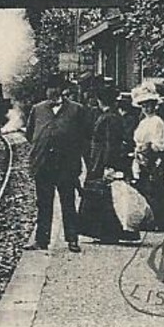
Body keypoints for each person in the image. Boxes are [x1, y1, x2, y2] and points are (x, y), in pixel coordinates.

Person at [25, 77, 95, 252]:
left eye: (55, 88)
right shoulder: (37, 109)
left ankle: (72, 239)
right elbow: (29, 134)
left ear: (62, 91)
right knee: (43, 204)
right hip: (43, 165)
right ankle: (41, 240)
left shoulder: (77, 110)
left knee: (68, 203)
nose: (52, 92)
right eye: (49, 88)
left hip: (67, 165)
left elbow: (86, 136)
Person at [80, 84, 138, 243]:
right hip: (101, 158)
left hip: (103, 160)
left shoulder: (109, 118)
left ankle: (107, 232)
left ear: (100, 100)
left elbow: (110, 144)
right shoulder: (113, 116)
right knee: (105, 195)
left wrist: (107, 165)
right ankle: (106, 232)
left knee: (104, 195)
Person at [130, 81, 164, 232]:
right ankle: (148, 219)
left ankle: (161, 221)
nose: (146, 108)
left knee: (155, 188)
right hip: (141, 156)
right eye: (143, 105)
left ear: (155, 105)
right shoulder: (143, 122)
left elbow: (159, 144)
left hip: (153, 157)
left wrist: (147, 148)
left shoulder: (157, 122)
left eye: (149, 105)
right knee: (143, 188)